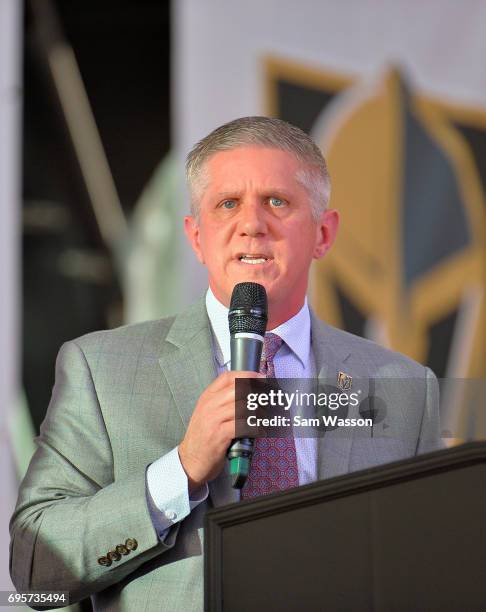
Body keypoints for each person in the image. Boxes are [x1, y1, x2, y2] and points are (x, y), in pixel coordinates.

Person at [10, 116, 441, 611]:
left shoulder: (402, 386)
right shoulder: (101, 369)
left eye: (277, 202)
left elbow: (431, 567)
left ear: (323, 234)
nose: (252, 223)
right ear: (196, 238)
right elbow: (35, 566)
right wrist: (182, 469)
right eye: (228, 204)